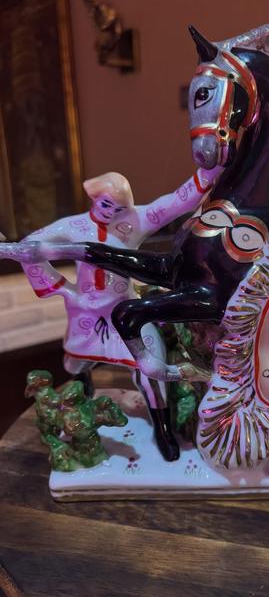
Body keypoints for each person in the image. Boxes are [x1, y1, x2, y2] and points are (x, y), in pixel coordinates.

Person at [19, 166, 221, 461]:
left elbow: (174, 202)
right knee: (75, 361)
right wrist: (61, 288)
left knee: (151, 365)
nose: (111, 212)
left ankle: (162, 426)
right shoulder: (74, 226)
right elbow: (29, 246)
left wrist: (207, 174)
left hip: (124, 310)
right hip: (86, 310)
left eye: (118, 207)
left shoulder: (134, 221)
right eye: (106, 204)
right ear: (93, 197)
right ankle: (83, 388)